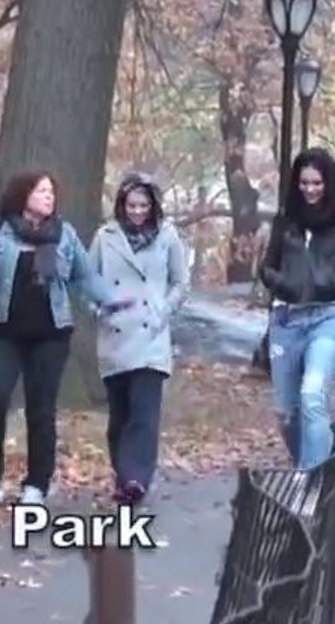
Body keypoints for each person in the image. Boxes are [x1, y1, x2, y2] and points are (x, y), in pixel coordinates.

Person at [0, 171, 133, 506]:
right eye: (41, 191)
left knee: (40, 407)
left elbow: (85, 276)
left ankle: (37, 483)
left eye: (51, 192)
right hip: (1, 330)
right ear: (23, 195)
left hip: (51, 335)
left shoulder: (64, 235)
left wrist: (113, 299)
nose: (49, 197)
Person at [259, 147, 335, 472]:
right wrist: (282, 284)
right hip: (286, 320)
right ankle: (308, 464)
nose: (310, 189)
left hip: (328, 318)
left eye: (317, 183)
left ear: (329, 183)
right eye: (304, 183)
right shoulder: (285, 221)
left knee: (314, 396)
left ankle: (310, 483)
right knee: (288, 413)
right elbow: (266, 268)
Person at [89, 173, 191, 505]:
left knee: (144, 414)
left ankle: (136, 479)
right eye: (131, 205)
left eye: (143, 206)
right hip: (116, 333)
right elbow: (89, 281)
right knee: (120, 414)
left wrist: (164, 309)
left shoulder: (168, 236)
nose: (137, 212)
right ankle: (123, 475)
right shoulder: (105, 238)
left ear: (153, 206)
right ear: (121, 205)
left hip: (151, 336)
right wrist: (100, 307)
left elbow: (180, 282)